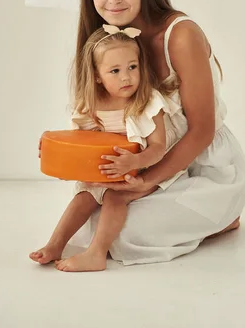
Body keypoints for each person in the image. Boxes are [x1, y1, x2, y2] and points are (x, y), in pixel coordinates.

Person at [67, 0, 245, 266]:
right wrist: (63, 149)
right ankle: (192, 219)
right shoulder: (108, 44)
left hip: (204, 169)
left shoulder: (180, 35)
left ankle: (222, 216)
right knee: (90, 227)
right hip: (150, 164)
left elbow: (202, 131)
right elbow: (106, 122)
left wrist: (148, 180)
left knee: (123, 238)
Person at [30, 25, 187, 272]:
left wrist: (135, 163)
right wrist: (52, 146)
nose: (126, 77)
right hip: (107, 170)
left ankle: (96, 253)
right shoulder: (90, 106)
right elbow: (79, 142)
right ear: (96, 75)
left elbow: (159, 147)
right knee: (83, 197)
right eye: (115, 71)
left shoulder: (147, 101)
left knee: (114, 197)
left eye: (132, 67)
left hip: (147, 170)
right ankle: (55, 244)